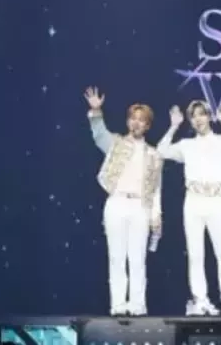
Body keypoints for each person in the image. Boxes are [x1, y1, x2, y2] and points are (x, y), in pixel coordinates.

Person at [157, 101, 221, 316]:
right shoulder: (186, 145)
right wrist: (173, 126)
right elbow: (162, 151)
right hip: (193, 201)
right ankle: (200, 300)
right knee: (196, 254)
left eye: (202, 114)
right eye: (193, 116)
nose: (198, 119)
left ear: (209, 117)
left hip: (215, 200)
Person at [84, 87, 163, 316]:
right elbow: (99, 134)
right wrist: (96, 111)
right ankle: (118, 304)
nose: (136, 123)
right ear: (128, 121)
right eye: (133, 118)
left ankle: (137, 305)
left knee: (137, 258)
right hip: (117, 203)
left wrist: (156, 215)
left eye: (141, 120)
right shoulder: (115, 143)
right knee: (116, 257)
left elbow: (156, 188)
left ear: (147, 126)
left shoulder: (154, 154)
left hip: (140, 206)